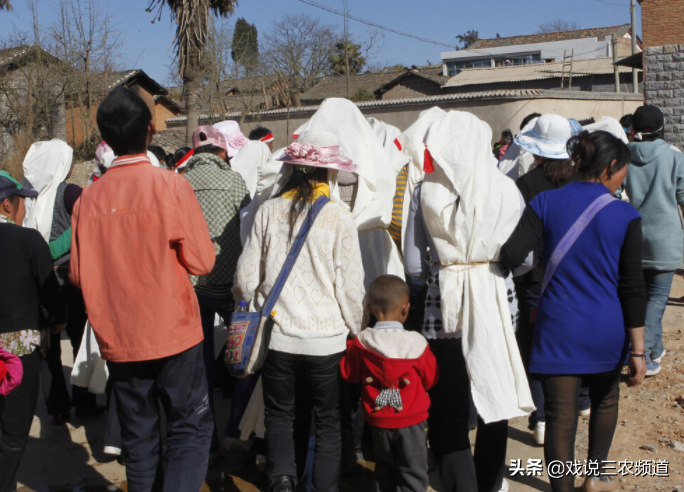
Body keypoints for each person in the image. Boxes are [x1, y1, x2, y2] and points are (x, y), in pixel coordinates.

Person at [70, 86, 216, 492]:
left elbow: (80, 275)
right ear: (151, 129)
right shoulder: (170, 186)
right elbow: (203, 262)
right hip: (174, 331)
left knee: (139, 436)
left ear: (104, 135)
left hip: (119, 336)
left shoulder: (87, 199)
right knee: (188, 428)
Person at [501, 130, 648, 492]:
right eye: (621, 173)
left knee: (560, 416)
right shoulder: (625, 214)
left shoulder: (545, 202)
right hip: (606, 328)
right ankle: (594, 477)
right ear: (610, 167)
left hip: (558, 327)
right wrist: (639, 351)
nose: (621, 181)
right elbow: (632, 287)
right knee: (605, 400)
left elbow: (510, 255)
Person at [403, 111, 534, 492]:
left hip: (444, 304)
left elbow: (413, 265)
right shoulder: (507, 189)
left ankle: (458, 484)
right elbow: (523, 259)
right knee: (494, 392)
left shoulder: (424, 190)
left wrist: (444, 271)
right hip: (495, 299)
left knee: (449, 403)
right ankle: (491, 482)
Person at [233, 130, 367, 492]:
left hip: (279, 337)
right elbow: (351, 288)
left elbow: (245, 281)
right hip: (327, 341)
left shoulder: (269, 210)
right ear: (330, 174)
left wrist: (254, 302)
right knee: (328, 419)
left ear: (292, 168)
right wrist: (357, 327)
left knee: (280, 415)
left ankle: (282, 482)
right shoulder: (340, 217)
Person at [510, 114, 582, 444]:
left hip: (537, 278)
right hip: (577, 276)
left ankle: (540, 417)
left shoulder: (524, 185)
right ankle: (574, 406)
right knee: (570, 342)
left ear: (536, 150)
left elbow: (518, 240)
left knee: (537, 344)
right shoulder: (583, 181)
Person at [183, 125, 251, 453]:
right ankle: (236, 430)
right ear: (223, 153)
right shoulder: (235, 181)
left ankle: (206, 443)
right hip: (229, 290)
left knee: (201, 367)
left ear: (194, 154)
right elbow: (249, 229)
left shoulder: (179, 183)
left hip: (192, 289)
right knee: (246, 357)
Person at [22, 139, 98, 424]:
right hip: (69, 276)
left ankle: (57, 406)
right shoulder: (69, 192)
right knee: (79, 337)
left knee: (49, 345)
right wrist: (55, 247)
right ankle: (85, 401)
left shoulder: (27, 195)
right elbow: (89, 223)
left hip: (39, 278)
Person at [0, 170, 67, 492]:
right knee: (12, 432)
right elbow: (50, 291)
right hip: (17, 349)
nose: (26, 210)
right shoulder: (27, 240)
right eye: (22, 203)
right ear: (7, 206)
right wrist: (58, 319)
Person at [340, 275, 438, 492]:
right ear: (406, 309)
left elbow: (349, 373)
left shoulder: (362, 342)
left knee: (384, 467)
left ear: (370, 309)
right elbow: (431, 379)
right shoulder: (417, 344)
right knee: (413, 470)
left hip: (377, 420)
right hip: (412, 420)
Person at [622, 105, 684, 376]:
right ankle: (643, 354)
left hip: (632, 237)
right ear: (661, 127)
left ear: (634, 130)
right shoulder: (674, 156)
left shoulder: (624, 156)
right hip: (665, 239)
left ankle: (655, 348)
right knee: (657, 298)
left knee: (641, 296)